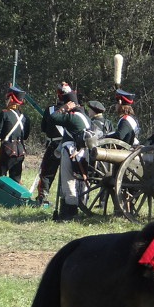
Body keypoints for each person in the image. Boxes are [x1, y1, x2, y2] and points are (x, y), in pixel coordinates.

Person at [49, 88, 93, 221]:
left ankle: (70, 212)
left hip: (71, 152)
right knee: (80, 182)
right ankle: (80, 205)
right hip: (84, 153)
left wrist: (63, 108)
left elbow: (53, 117)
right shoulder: (85, 117)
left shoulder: (72, 116)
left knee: (68, 181)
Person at [36, 82, 74, 206]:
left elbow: (44, 128)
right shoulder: (73, 110)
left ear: (58, 95)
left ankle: (43, 196)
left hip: (54, 145)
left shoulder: (50, 110)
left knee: (47, 173)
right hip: (69, 147)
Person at [0, 86, 29, 183]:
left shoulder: (5, 113)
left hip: (7, 151)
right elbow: (25, 136)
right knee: (15, 181)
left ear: (11, 99)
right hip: (20, 152)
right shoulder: (25, 117)